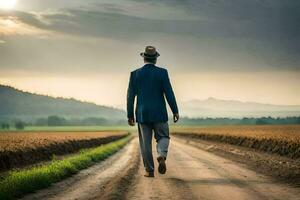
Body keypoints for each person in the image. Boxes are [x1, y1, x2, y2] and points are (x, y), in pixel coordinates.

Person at [127, 46, 179, 177]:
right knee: (163, 136)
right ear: (155, 59)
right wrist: (175, 110)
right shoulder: (162, 73)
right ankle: (161, 154)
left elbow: (130, 96)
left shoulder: (135, 74)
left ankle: (149, 170)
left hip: (142, 113)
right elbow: (169, 93)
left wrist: (130, 115)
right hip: (159, 112)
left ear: (144, 58)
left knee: (145, 144)